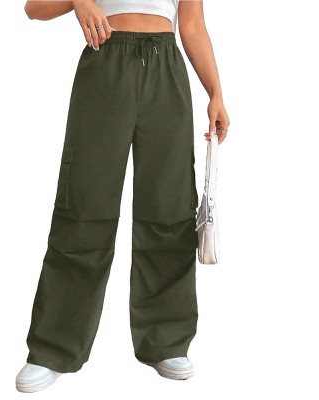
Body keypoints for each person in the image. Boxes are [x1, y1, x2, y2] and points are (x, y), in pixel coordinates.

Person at [16, 0, 230, 393]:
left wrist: (215, 92)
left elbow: (192, 26)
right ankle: (53, 348)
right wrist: (80, 1)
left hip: (167, 67)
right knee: (84, 204)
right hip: (106, 62)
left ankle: (166, 341)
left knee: (169, 207)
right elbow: (35, 8)